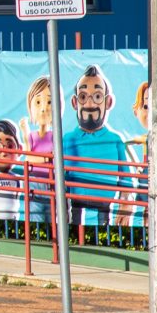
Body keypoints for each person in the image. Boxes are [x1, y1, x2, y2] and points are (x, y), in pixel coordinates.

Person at [63, 66, 132, 236]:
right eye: (83, 97)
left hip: (105, 204)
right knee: (74, 230)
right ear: (75, 102)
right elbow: (58, 175)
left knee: (105, 231)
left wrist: (125, 202)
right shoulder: (67, 140)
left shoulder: (115, 140)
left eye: (98, 96)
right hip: (75, 202)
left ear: (108, 102)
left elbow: (126, 178)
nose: (90, 104)